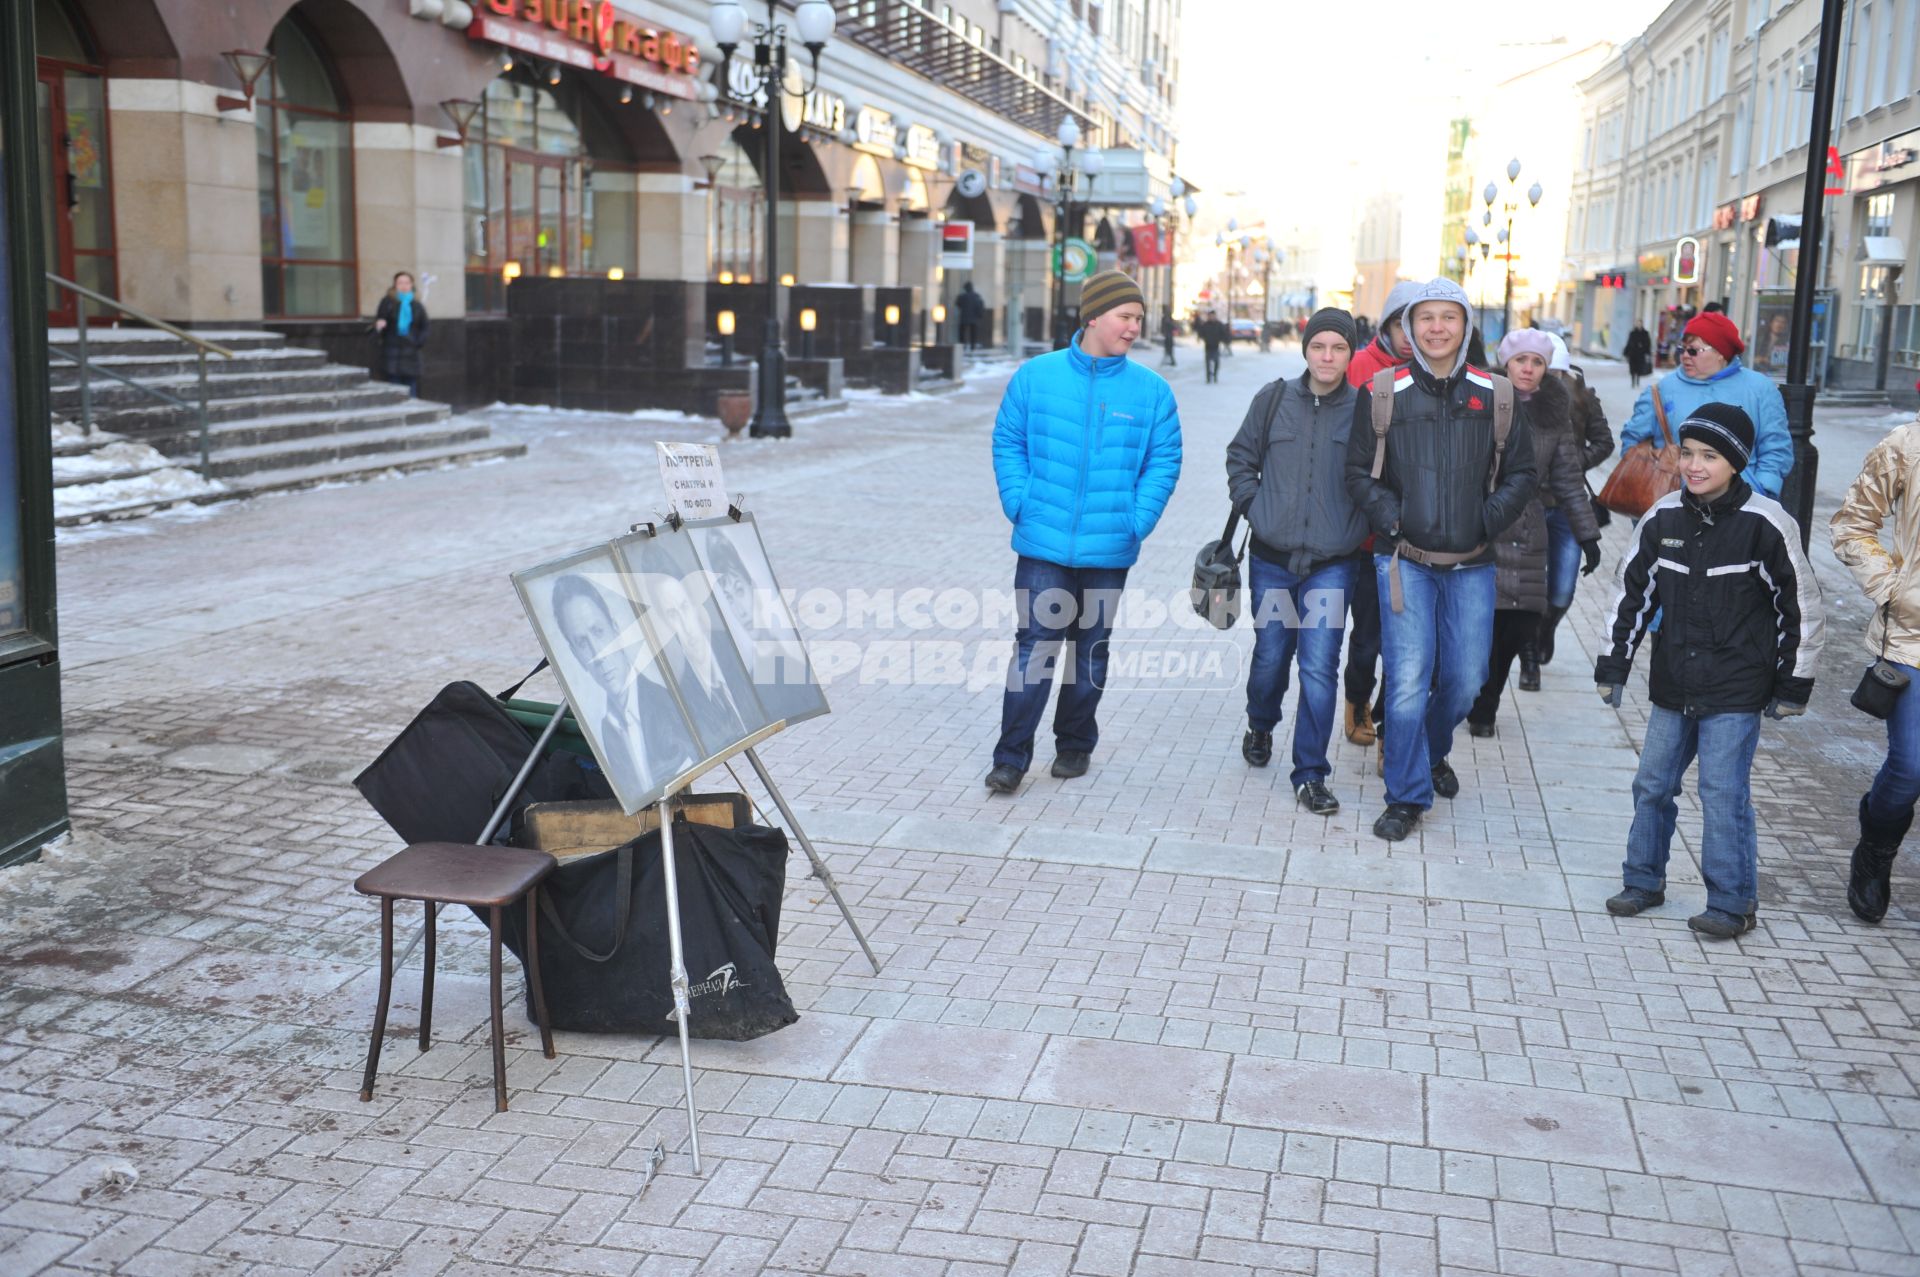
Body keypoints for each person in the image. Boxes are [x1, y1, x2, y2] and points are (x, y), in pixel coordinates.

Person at [1598, 402, 1823, 940]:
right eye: (1689, 454)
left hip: (1736, 686)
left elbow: (1803, 608)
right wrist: (1615, 661)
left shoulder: (1766, 525)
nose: (1695, 466)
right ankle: (1643, 879)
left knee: (1723, 793)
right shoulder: (1663, 517)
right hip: (1674, 680)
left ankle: (1731, 900)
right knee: (1652, 784)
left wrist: (1794, 681)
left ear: (1737, 462)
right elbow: (1630, 594)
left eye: (1711, 456)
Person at [1345, 278, 1538, 842]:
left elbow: (1524, 473)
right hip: (1404, 561)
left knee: (1465, 678)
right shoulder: (1384, 390)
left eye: (1447, 317)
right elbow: (1358, 472)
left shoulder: (1495, 393)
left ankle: (1427, 749)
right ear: (1408, 326)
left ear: (1465, 325)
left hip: (1473, 562)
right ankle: (1406, 794)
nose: (1436, 327)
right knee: (1406, 680)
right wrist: (1395, 520)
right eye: (1424, 317)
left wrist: (1487, 517)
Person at [986, 270, 1182, 793]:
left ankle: (1074, 745)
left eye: (1139, 318)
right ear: (1093, 316)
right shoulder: (1036, 376)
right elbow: (1008, 440)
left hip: (1109, 548)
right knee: (1034, 650)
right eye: (1125, 316)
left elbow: (1164, 462)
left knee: (1090, 649)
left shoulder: (1151, 392)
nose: (1134, 327)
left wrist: (1134, 521)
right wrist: (1019, 501)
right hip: (1043, 542)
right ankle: (1010, 757)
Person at [1224, 308, 1367, 815]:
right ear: (1305, 349)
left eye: (1338, 348)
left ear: (1351, 354)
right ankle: (1260, 722)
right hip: (1272, 559)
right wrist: (1254, 505)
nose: (1327, 357)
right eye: (1318, 346)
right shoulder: (1273, 399)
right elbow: (1240, 456)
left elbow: (1381, 478)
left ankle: (1310, 773)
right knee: (1270, 656)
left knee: (1319, 668)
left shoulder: (1366, 411)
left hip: (1333, 562)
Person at [1467, 330, 1602, 735]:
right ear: (1506, 363)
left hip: (1528, 531)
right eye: (1521, 360)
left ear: (1547, 369)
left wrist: (1588, 535)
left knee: (1520, 627)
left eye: (1537, 362)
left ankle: (1486, 701)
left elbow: (1567, 478)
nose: (1528, 368)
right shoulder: (1479, 401)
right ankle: (1475, 701)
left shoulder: (1553, 414)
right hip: (1481, 529)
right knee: (1479, 627)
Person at [1829, 414, 1920, 923]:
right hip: (1913, 639)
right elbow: (1852, 522)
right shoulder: (1907, 443)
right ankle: (1876, 850)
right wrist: (1893, 587)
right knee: (1910, 769)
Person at [1339, 280, 1422, 755]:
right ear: (1388, 325)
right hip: (1363, 531)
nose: (1410, 334)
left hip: (1417, 535)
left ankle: (1394, 721)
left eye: (1417, 323)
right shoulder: (1360, 368)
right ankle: (1356, 701)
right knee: (1367, 632)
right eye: (1400, 323)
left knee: (1407, 643)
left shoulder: (1436, 371)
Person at [1616, 312, 1791, 499]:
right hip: (1673, 501)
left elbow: (1776, 445)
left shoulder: (1760, 388)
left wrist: (1763, 490)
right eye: (1681, 349)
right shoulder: (1663, 389)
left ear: (1720, 353)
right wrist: (1644, 483)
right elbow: (1633, 438)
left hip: (1741, 503)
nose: (1684, 356)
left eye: (1693, 351)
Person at [1533, 333, 1615, 669]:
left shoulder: (1581, 396)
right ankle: (1530, 656)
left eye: (1552, 372)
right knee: (1530, 587)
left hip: (1568, 505)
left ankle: (1547, 628)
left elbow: (1604, 442)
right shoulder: (1519, 396)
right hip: (1530, 506)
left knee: (1563, 590)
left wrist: (1572, 462)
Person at [1347, 281, 1419, 389]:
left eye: (1414, 325)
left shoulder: (1436, 370)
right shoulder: (1353, 365)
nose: (1407, 338)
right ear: (1387, 327)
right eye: (1400, 325)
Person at [372, 271, 427, 397]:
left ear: (411, 285)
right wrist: (380, 324)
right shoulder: (388, 302)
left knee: (411, 388)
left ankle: (413, 411)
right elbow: (380, 319)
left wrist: (418, 342)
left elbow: (425, 326)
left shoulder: (417, 305)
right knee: (395, 388)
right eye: (400, 282)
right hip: (393, 351)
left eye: (407, 282)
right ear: (395, 285)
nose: (403, 286)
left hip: (411, 352)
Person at [1198, 311, 1229, 383]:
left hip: (1216, 346)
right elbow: (1201, 333)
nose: (1212, 317)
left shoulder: (1219, 324)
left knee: (1216, 362)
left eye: (1213, 316)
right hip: (1208, 346)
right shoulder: (1205, 325)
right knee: (1208, 363)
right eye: (1210, 316)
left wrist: (1224, 340)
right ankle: (1208, 378)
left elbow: (1224, 333)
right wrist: (1204, 338)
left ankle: (1215, 376)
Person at [956, 281, 986, 351]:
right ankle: (973, 346)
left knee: (962, 332)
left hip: (964, 318)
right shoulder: (976, 296)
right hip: (974, 319)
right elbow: (980, 306)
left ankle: (962, 346)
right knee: (973, 333)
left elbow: (958, 304)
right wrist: (980, 315)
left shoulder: (963, 297)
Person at [1624, 323, 1653, 389]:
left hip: (1641, 354)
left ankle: (1638, 381)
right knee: (1632, 368)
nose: (1639, 325)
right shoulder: (1632, 333)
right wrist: (1626, 352)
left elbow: (1648, 343)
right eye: (1638, 323)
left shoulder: (1645, 333)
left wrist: (1646, 351)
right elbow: (1629, 342)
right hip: (1633, 354)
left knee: (1639, 368)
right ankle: (1633, 382)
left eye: (1640, 323)